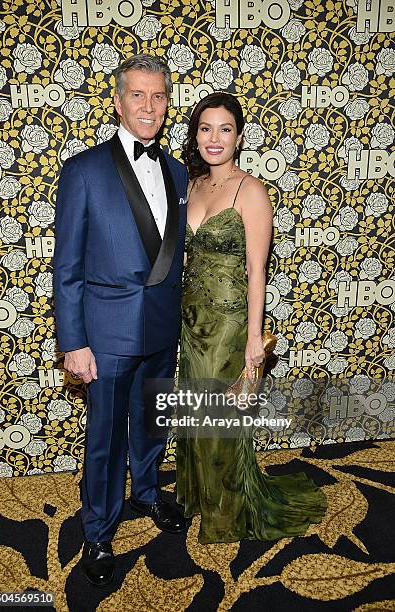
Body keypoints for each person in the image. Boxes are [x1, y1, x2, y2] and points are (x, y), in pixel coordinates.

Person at [54, 54, 188, 586]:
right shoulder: (83, 169)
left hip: (161, 330)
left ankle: (150, 495)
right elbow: (67, 265)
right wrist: (74, 341)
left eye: (158, 96)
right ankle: (99, 532)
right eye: (138, 95)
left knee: (153, 426)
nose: (149, 107)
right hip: (105, 337)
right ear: (117, 100)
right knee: (105, 441)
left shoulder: (178, 171)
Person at [176, 92, 327, 544]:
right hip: (191, 320)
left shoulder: (251, 190)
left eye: (224, 129)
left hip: (229, 323)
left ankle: (227, 510)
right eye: (206, 128)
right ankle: (201, 497)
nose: (214, 138)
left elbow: (257, 271)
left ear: (239, 137)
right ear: (196, 136)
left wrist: (254, 341)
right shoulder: (191, 185)